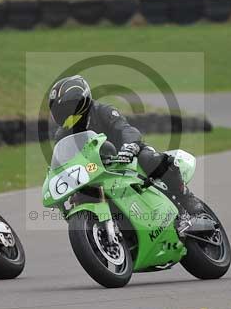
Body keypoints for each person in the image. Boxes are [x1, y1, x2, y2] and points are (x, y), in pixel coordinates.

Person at [48, 75, 204, 219]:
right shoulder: (62, 135)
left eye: (65, 110)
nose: (62, 115)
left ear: (80, 103)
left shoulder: (102, 111)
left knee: (148, 159)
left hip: (127, 155)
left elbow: (125, 129)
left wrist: (130, 146)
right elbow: (63, 162)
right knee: (79, 197)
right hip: (96, 171)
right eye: (58, 111)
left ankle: (185, 196)